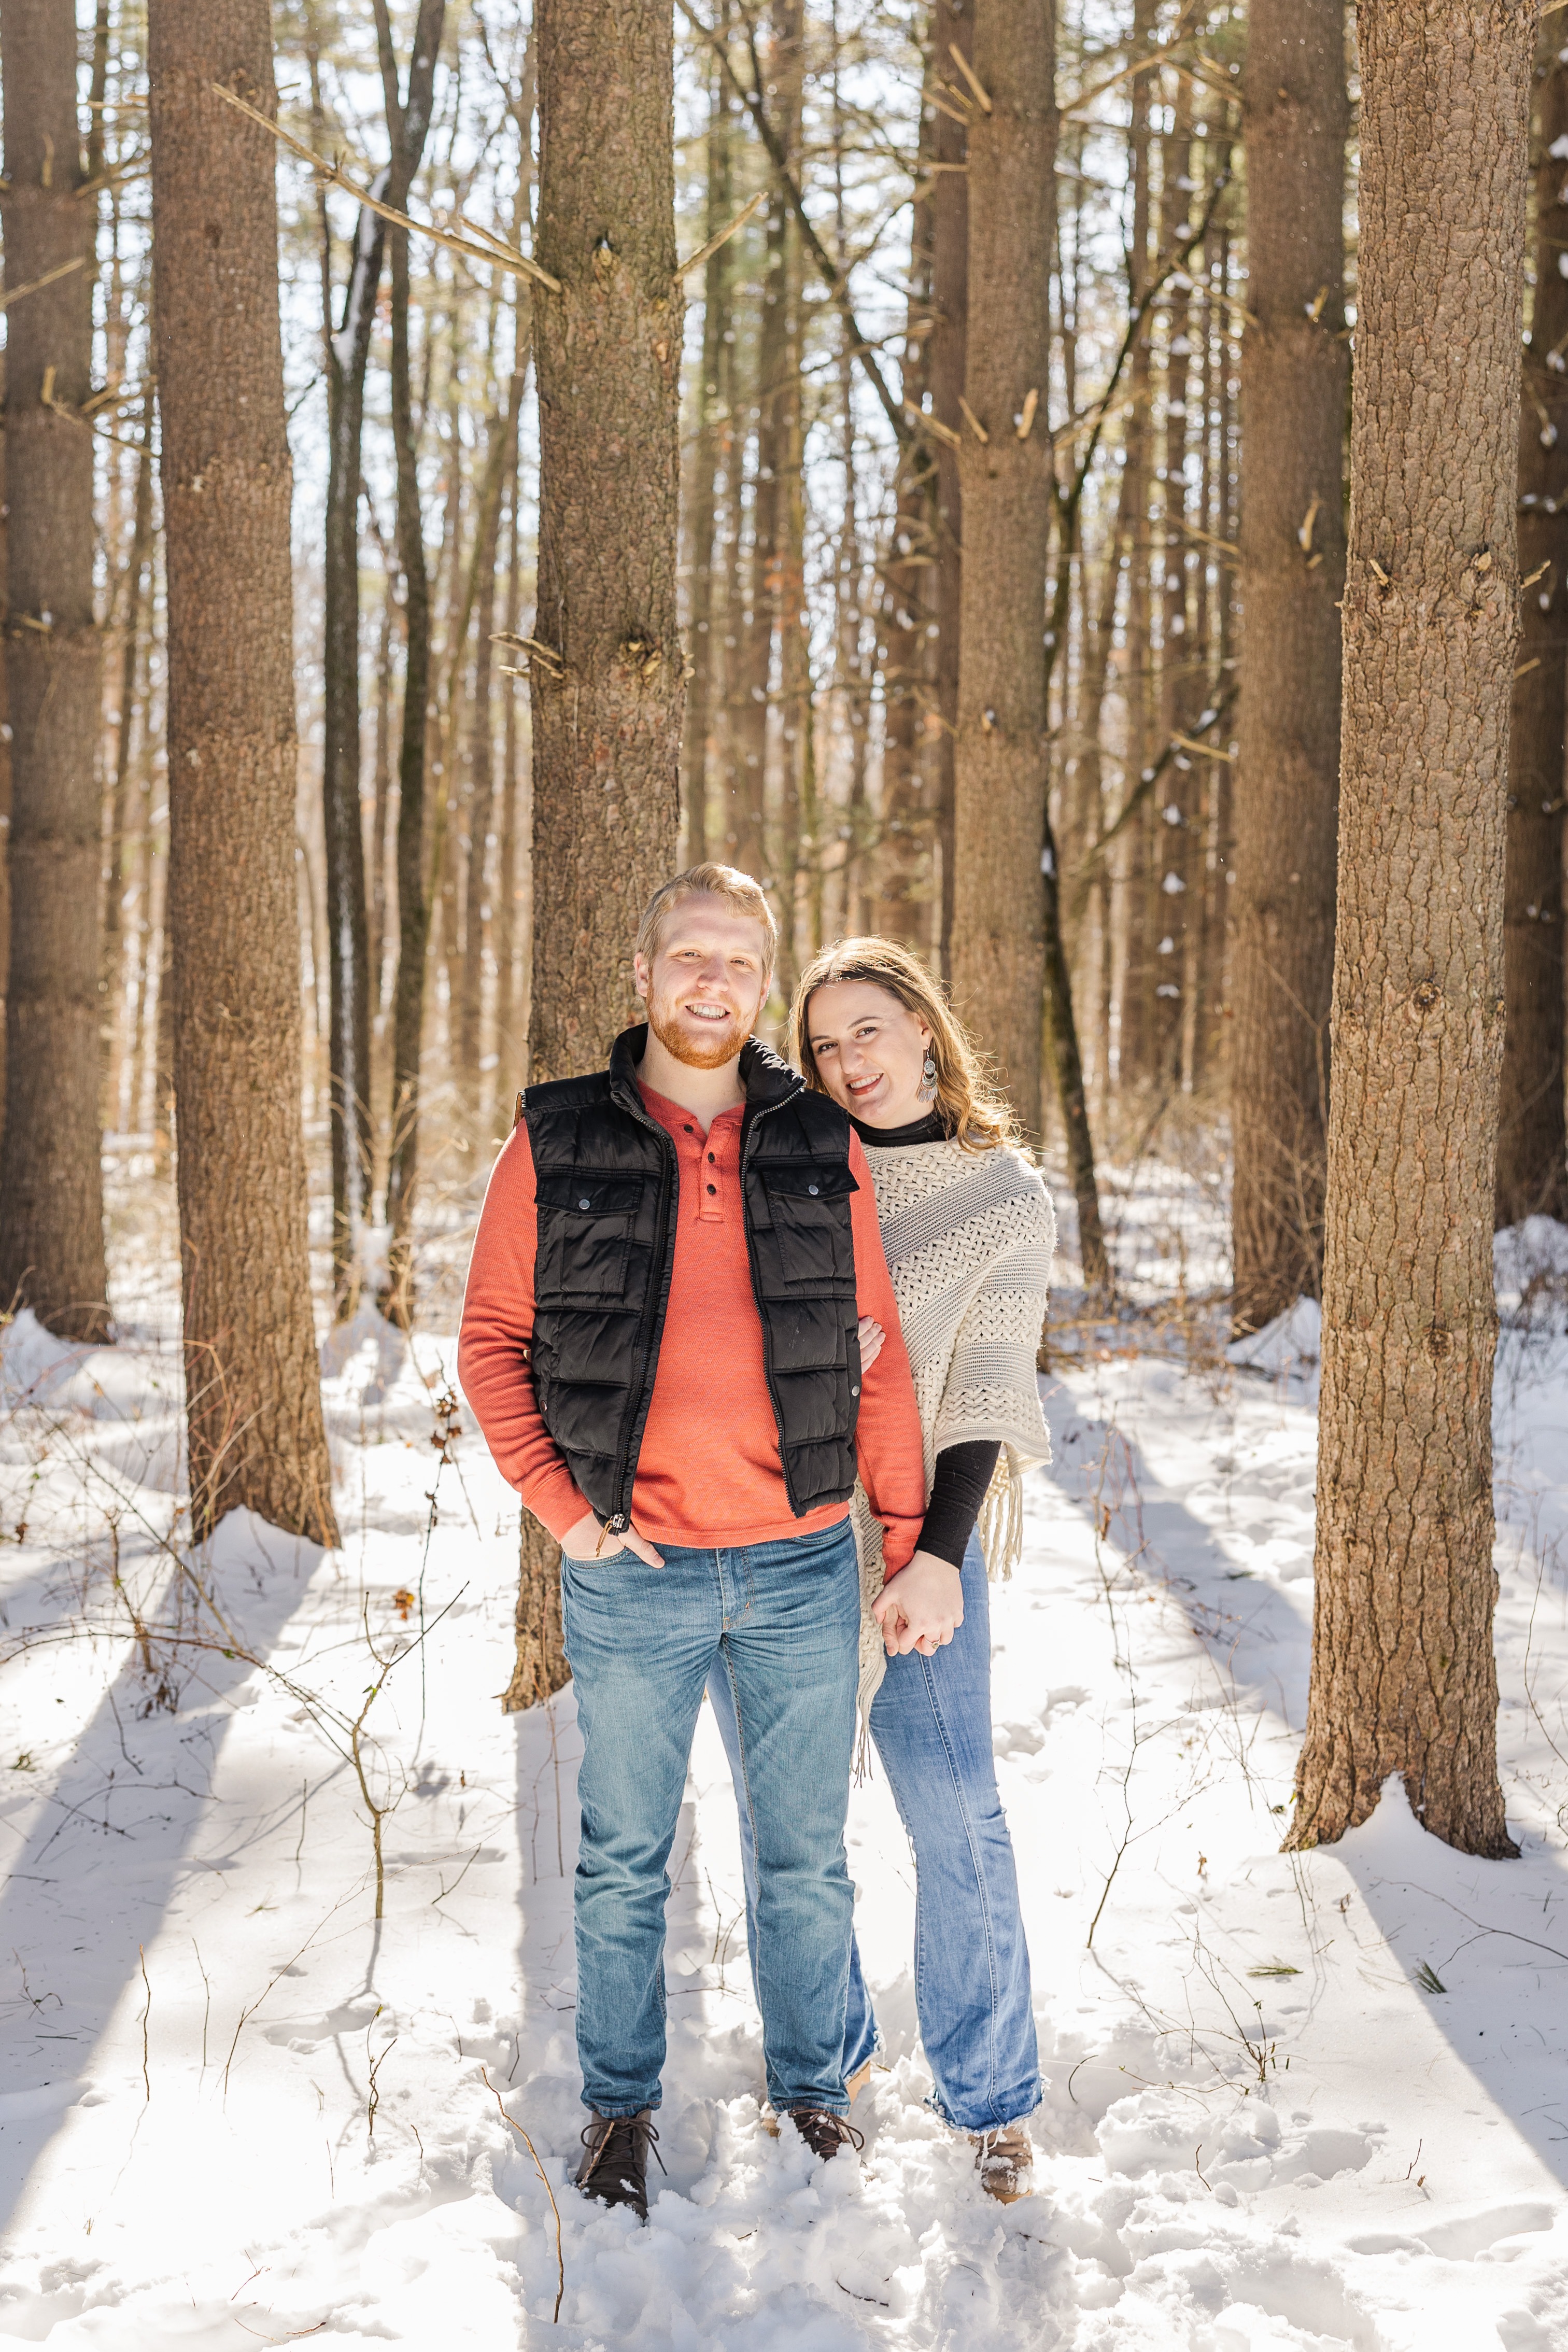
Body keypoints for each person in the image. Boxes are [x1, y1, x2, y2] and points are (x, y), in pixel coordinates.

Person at [457, 868, 931, 2223]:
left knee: (805, 1856)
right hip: (633, 1574)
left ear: (761, 979)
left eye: (735, 958)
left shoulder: (814, 1141)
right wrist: (565, 1514)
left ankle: (812, 2094)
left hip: (797, 1569)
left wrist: (902, 1545)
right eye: (687, 955)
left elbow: (881, 1359)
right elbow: (490, 1347)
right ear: (648, 969)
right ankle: (619, 2104)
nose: (709, 979)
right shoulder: (552, 1139)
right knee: (620, 1857)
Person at [706, 936, 1055, 2204]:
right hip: (779, 1533)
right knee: (787, 1828)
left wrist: (941, 1560)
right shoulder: (794, 1166)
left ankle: (994, 2099)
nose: (846, 1062)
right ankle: (827, 2069)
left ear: (921, 1025)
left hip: (924, 1550)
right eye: (822, 1044)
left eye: (867, 1029)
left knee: (956, 1816)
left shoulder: (999, 1192)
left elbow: (983, 1389)